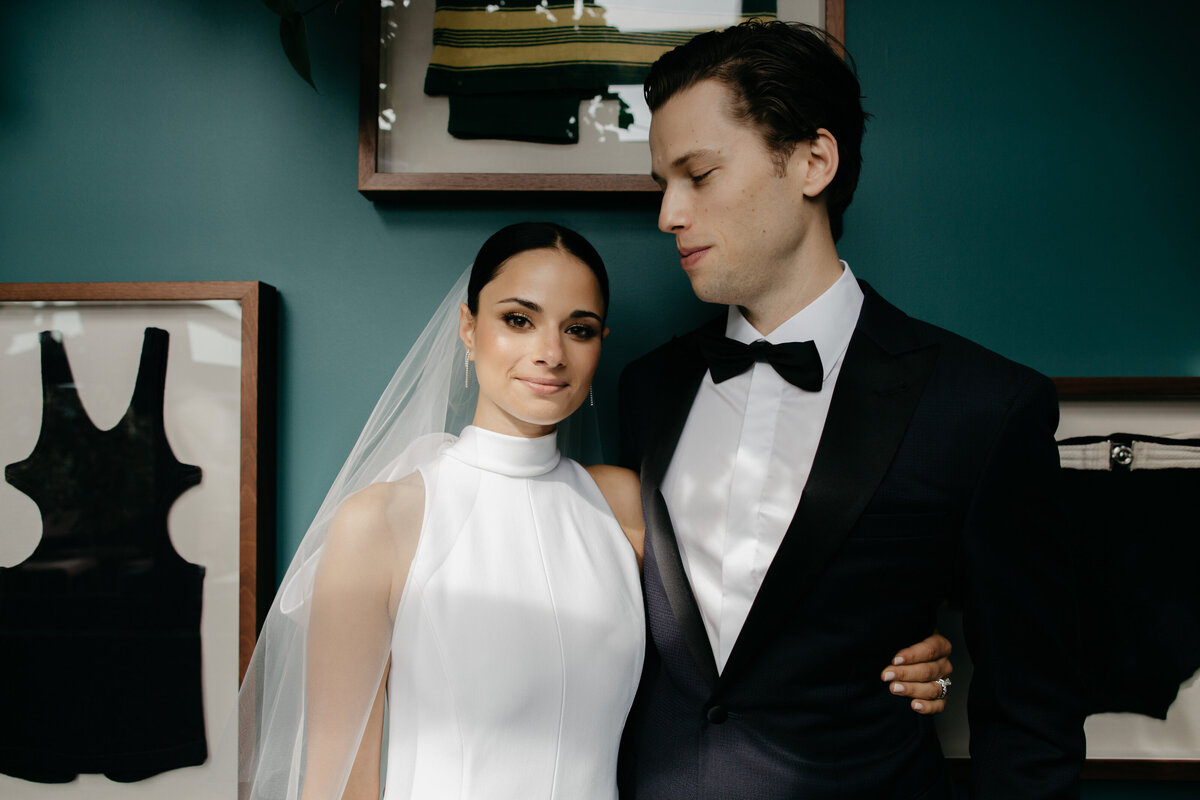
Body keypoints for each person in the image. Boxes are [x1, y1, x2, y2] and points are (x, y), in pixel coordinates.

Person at [236, 222, 955, 800]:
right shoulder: (383, 521)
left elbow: (775, 619)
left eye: (578, 329)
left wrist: (915, 654)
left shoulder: (623, 504)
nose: (549, 352)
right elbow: (336, 779)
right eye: (518, 320)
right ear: (467, 327)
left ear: (600, 345)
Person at [617, 20, 1085, 800]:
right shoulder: (647, 388)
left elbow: (1032, 710)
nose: (667, 213)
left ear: (813, 161)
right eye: (662, 183)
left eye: (697, 175)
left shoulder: (983, 406)